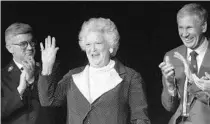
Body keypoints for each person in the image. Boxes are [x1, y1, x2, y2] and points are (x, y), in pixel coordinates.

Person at [38, 17, 151, 124]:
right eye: (88, 44)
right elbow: (48, 101)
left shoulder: (130, 77)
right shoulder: (73, 76)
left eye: (98, 43)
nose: (92, 49)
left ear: (111, 46)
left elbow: (140, 118)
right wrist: (47, 67)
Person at [159, 3, 210, 124]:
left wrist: (196, 82)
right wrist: (170, 85)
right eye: (180, 28)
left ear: (203, 27)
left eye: (189, 28)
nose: (184, 34)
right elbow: (169, 107)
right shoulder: (171, 56)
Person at [1, 22, 59, 124]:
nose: (30, 48)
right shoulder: (2, 76)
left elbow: (55, 106)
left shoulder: (46, 70)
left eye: (32, 42)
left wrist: (32, 80)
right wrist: (20, 90)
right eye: (23, 44)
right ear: (10, 48)